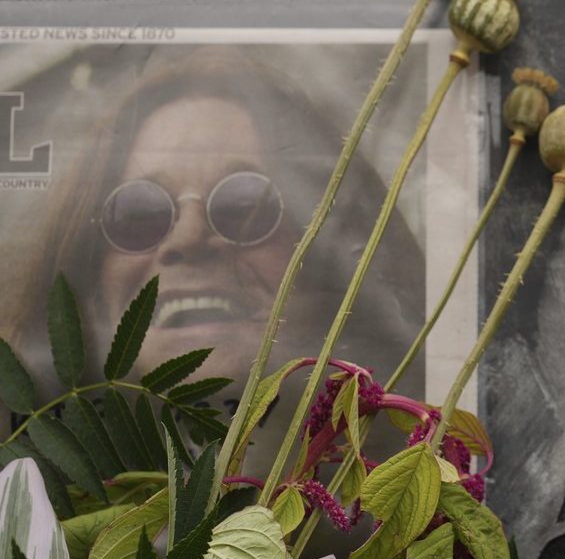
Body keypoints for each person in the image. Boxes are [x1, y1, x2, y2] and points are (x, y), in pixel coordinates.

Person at [0, 50, 425, 471]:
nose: (187, 238)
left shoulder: (416, 473)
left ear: (329, 263)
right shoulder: (18, 486)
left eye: (244, 206)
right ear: (90, 278)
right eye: (139, 214)